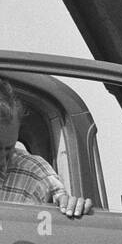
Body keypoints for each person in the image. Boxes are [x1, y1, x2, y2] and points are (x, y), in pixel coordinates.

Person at [0, 78, 93, 217]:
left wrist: (72, 207)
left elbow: (63, 206)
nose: (2, 161)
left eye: (8, 149)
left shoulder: (34, 171)